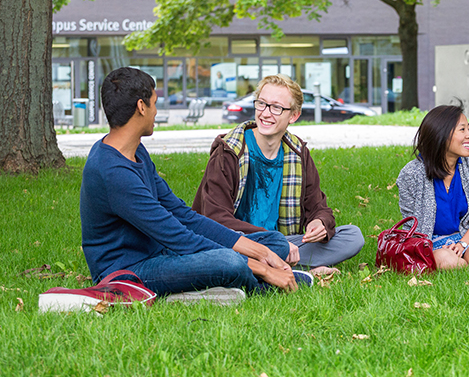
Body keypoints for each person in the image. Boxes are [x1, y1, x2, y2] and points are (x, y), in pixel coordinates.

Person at [81, 67, 308, 300]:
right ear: (141, 107)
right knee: (228, 261)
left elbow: (184, 215)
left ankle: (229, 282)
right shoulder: (112, 172)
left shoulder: (136, 151)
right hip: (129, 270)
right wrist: (263, 268)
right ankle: (261, 284)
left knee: (274, 243)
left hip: (162, 251)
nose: (156, 112)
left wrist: (263, 252)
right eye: (154, 103)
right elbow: (178, 236)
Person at [193, 74, 364, 276]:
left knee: (353, 236)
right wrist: (272, 240)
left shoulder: (298, 152)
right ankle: (287, 268)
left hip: (285, 244)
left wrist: (320, 223)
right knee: (231, 254)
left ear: (293, 116)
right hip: (236, 241)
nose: (266, 113)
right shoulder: (229, 151)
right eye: (261, 104)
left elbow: (318, 206)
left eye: (276, 108)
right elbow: (215, 219)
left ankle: (275, 267)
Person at [396, 104, 469, 270]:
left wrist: (463, 243)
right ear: (441, 134)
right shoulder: (411, 173)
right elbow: (410, 224)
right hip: (433, 243)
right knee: (449, 263)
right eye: (462, 130)